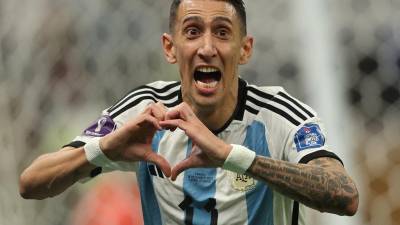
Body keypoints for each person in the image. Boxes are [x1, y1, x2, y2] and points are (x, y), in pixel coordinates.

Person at [19, 0, 359, 224]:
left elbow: (345, 195)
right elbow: (31, 182)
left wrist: (232, 157)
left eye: (223, 33)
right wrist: (103, 149)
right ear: (171, 48)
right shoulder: (147, 111)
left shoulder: (278, 115)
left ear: (245, 49)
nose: (207, 48)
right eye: (193, 32)